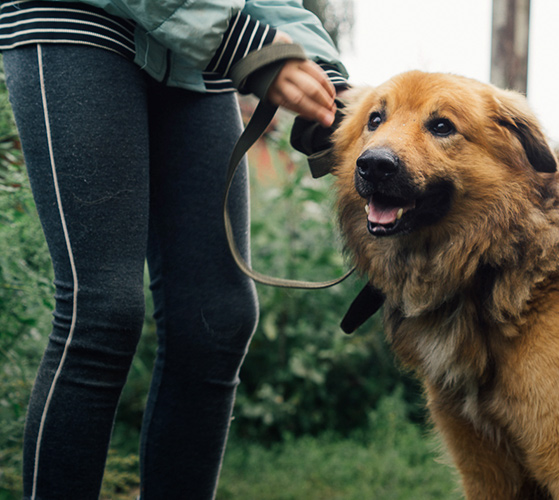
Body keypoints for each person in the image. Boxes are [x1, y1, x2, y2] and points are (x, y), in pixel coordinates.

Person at [0, 1, 348, 498]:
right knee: (103, 313)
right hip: (82, 21)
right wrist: (249, 45)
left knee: (216, 321)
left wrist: (326, 76)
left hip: (191, 55)